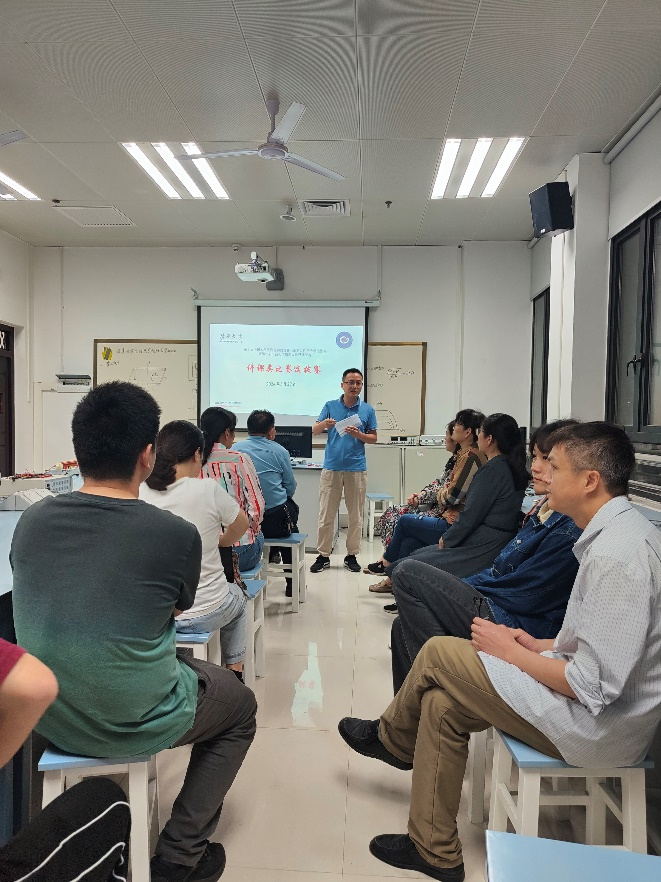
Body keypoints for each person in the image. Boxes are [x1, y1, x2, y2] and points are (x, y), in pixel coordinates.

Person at [338, 421, 661, 881]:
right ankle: (434, 848)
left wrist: (510, 653)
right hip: (588, 704)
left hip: (597, 728)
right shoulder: (616, 534)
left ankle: (394, 740)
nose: (542, 473)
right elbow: (602, 642)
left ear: (590, 481)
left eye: (554, 466)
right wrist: (539, 644)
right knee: (441, 703)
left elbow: (593, 686)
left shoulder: (617, 556)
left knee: (438, 654)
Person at [11, 381, 257, 882]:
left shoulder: (31, 522)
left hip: (47, 715)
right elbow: (176, 609)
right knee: (241, 708)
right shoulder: (174, 535)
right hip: (134, 715)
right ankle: (179, 857)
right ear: (148, 455)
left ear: (79, 450)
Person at [388, 419, 582, 692]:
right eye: (535, 457)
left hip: (504, 611)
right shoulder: (544, 510)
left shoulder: (567, 528)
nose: (536, 468)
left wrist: (464, 586)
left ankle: (441, 679)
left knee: (405, 571)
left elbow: (521, 590)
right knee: (401, 624)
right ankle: (415, 706)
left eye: (547, 460)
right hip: (491, 580)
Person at [0, 639, 132, 882]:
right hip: (124, 713)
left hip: (53, 720)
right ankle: (177, 859)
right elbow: (35, 685)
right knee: (108, 800)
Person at [140, 420, 250, 678]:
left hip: (155, 612)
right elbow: (242, 524)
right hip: (207, 609)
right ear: (197, 454)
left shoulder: (141, 489)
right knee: (240, 600)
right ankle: (234, 674)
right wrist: (222, 541)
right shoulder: (207, 489)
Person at [373, 413, 529, 593]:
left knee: (413, 558)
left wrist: (448, 539)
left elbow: (470, 514)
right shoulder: (508, 466)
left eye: (480, 432)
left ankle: (400, 582)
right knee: (410, 547)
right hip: (486, 538)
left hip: (480, 544)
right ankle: (400, 587)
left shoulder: (490, 470)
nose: (477, 435)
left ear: (490, 439)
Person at [366, 409, 485, 590]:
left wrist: (436, 495)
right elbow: (443, 487)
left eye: (458, 424)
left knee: (404, 521)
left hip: (452, 522)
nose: (453, 429)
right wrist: (429, 494)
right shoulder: (462, 456)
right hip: (446, 515)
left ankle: (387, 565)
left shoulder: (470, 457)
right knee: (408, 542)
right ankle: (396, 582)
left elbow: (452, 496)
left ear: (468, 432)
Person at [310, 368, 378, 574]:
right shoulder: (330, 406)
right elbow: (314, 431)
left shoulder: (367, 410)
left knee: (356, 515)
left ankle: (352, 555)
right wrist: (324, 423)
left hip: (356, 468)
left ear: (361, 386)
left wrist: (359, 435)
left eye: (358, 383)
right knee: (326, 514)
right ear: (342, 385)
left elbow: (373, 438)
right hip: (331, 467)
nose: (354, 386)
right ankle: (323, 555)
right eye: (350, 382)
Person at [234, 410, 300, 597]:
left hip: (244, 522)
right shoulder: (280, 451)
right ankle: (291, 584)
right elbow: (290, 486)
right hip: (274, 522)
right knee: (290, 514)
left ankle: (273, 553)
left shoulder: (236, 450)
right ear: (271, 431)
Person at [374, 421, 459, 551]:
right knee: (393, 511)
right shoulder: (453, 460)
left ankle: (388, 557)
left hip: (441, 512)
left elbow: (444, 490)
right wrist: (420, 494)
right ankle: (389, 554)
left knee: (398, 517)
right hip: (432, 505)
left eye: (447, 434)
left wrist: (420, 498)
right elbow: (438, 483)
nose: (445, 438)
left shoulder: (462, 463)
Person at [200, 406, 265, 572]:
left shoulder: (194, 461)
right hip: (238, 552)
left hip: (203, 554)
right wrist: (252, 531)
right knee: (259, 536)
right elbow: (257, 507)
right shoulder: (239, 460)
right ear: (227, 433)